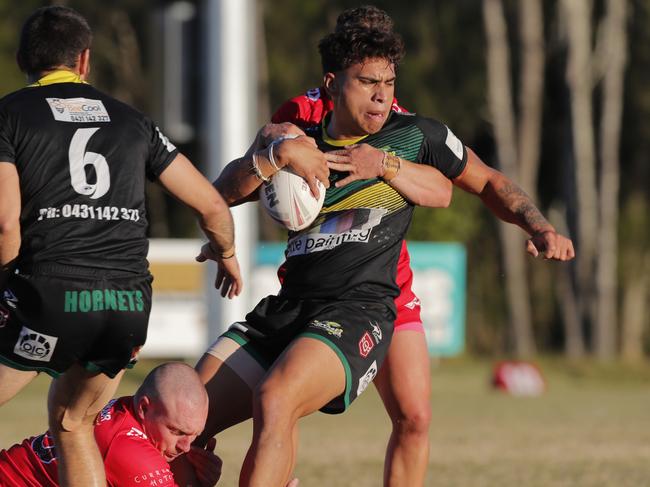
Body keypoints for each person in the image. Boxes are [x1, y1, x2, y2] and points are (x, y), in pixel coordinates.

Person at [267, 6, 576, 486]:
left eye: (386, 76)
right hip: (314, 285)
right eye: (367, 71)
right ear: (338, 71)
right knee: (282, 402)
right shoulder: (302, 111)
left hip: (386, 284)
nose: (380, 91)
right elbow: (265, 147)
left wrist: (537, 226)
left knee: (415, 417)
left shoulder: (405, 126)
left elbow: (483, 180)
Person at [0, 6, 241, 487]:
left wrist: (7, 287)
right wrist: (227, 255)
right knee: (73, 423)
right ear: (85, 60)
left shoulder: (9, 113)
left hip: (51, 295)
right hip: (127, 306)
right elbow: (213, 207)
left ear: (24, 59)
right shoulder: (134, 122)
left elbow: (6, 222)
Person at [0, 362, 222, 487]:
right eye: (177, 431)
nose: (185, 446)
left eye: (194, 435)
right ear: (145, 408)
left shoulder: (124, 409)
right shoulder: (130, 451)